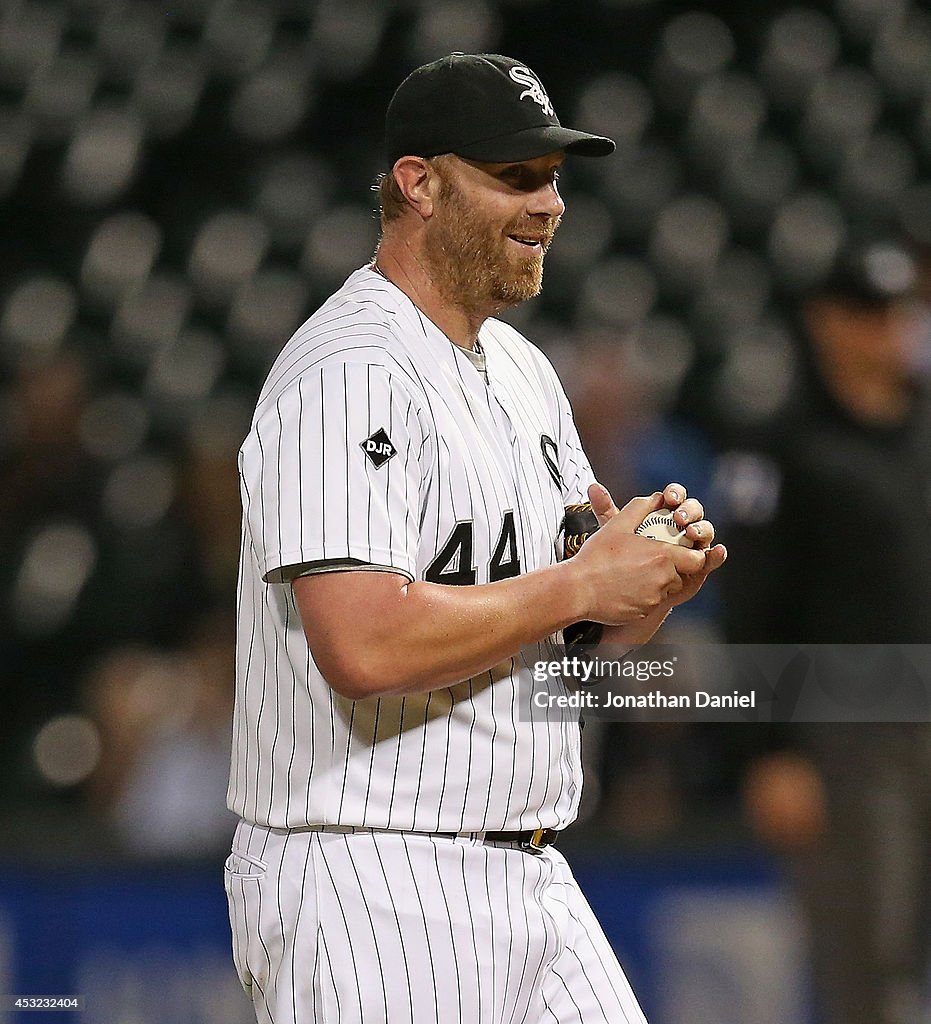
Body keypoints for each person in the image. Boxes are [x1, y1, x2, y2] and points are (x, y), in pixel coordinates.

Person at [225, 52, 726, 1024]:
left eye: (552, 177)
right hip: (369, 871)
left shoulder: (524, 370)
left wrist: (635, 593)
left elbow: (554, 628)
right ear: (417, 182)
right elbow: (363, 643)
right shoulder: (349, 369)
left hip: (527, 866)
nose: (549, 204)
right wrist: (579, 589)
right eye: (515, 176)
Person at [722, 235, 931, 1024]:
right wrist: (769, 750)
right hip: (847, 731)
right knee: (864, 956)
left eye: (898, 310)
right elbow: (753, 608)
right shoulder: (781, 448)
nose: (887, 329)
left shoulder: (921, 430)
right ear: (825, 323)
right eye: (866, 313)